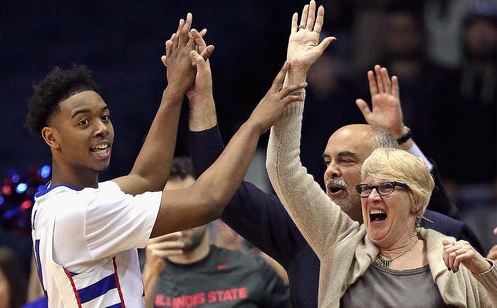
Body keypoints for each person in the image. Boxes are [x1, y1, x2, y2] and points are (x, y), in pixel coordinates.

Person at [186, 2, 485, 306]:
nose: (330, 170)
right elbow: (221, 186)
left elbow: (428, 195)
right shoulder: (307, 227)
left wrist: (402, 139)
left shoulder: (442, 232)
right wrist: (202, 100)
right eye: (327, 161)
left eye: (346, 160)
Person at [25, 13, 307, 307]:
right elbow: (207, 200)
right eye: (83, 122)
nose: (101, 129)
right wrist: (255, 123)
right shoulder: (83, 213)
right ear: (51, 137)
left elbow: (146, 179)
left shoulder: (53, 201)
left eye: (105, 117)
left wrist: (173, 92)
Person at [267, 146, 497, 305]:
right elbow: (284, 170)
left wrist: (483, 269)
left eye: (386, 187)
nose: (372, 197)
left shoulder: (453, 257)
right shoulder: (340, 242)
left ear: (415, 201)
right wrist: (294, 83)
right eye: (366, 188)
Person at [141, 157, 291, 308]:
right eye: (172, 206)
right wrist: (151, 274)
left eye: (189, 203)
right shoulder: (136, 274)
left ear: (207, 207)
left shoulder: (252, 269)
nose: (181, 215)